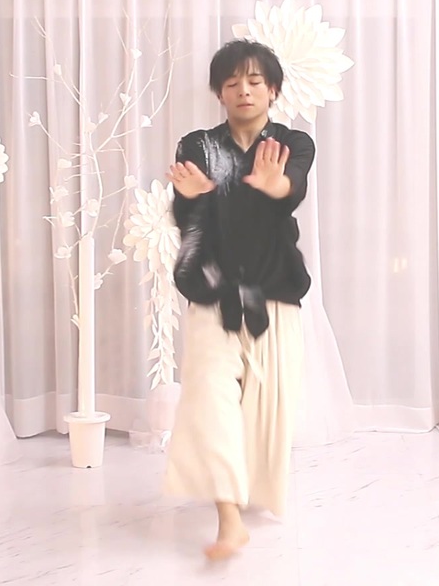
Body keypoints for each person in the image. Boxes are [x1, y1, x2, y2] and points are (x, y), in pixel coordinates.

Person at [162, 39, 314, 560]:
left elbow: (293, 187)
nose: (243, 90)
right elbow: (190, 221)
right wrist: (191, 199)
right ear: (219, 93)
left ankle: (246, 492)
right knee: (209, 399)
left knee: (267, 412)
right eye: (232, 83)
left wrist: (276, 186)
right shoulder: (197, 146)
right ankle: (229, 520)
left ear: (273, 91)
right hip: (213, 293)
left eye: (254, 81)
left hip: (275, 292)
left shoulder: (292, 142)